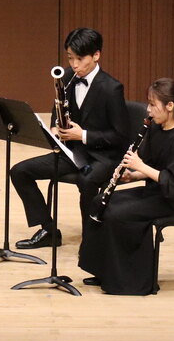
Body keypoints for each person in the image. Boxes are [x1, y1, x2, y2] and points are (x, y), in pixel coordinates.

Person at [79, 77, 174, 295]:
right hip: (157, 191)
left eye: (153, 104)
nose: (148, 109)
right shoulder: (157, 128)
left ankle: (131, 282)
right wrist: (133, 175)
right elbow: (154, 167)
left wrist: (141, 166)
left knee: (118, 214)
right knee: (100, 202)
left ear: (170, 106)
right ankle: (104, 271)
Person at [10, 27, 129, 249]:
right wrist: (55, 127)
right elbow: (57, 108)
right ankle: (48, 230)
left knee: (87, 181)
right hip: (72, 153)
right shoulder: (66, 77)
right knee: (19, 171)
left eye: (80, 59)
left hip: (102, 156)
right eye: (70, 58)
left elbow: (120, 136)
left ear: (96, 55)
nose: (74, 65)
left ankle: (91, 240)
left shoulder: (111, 88)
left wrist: (82, 135)